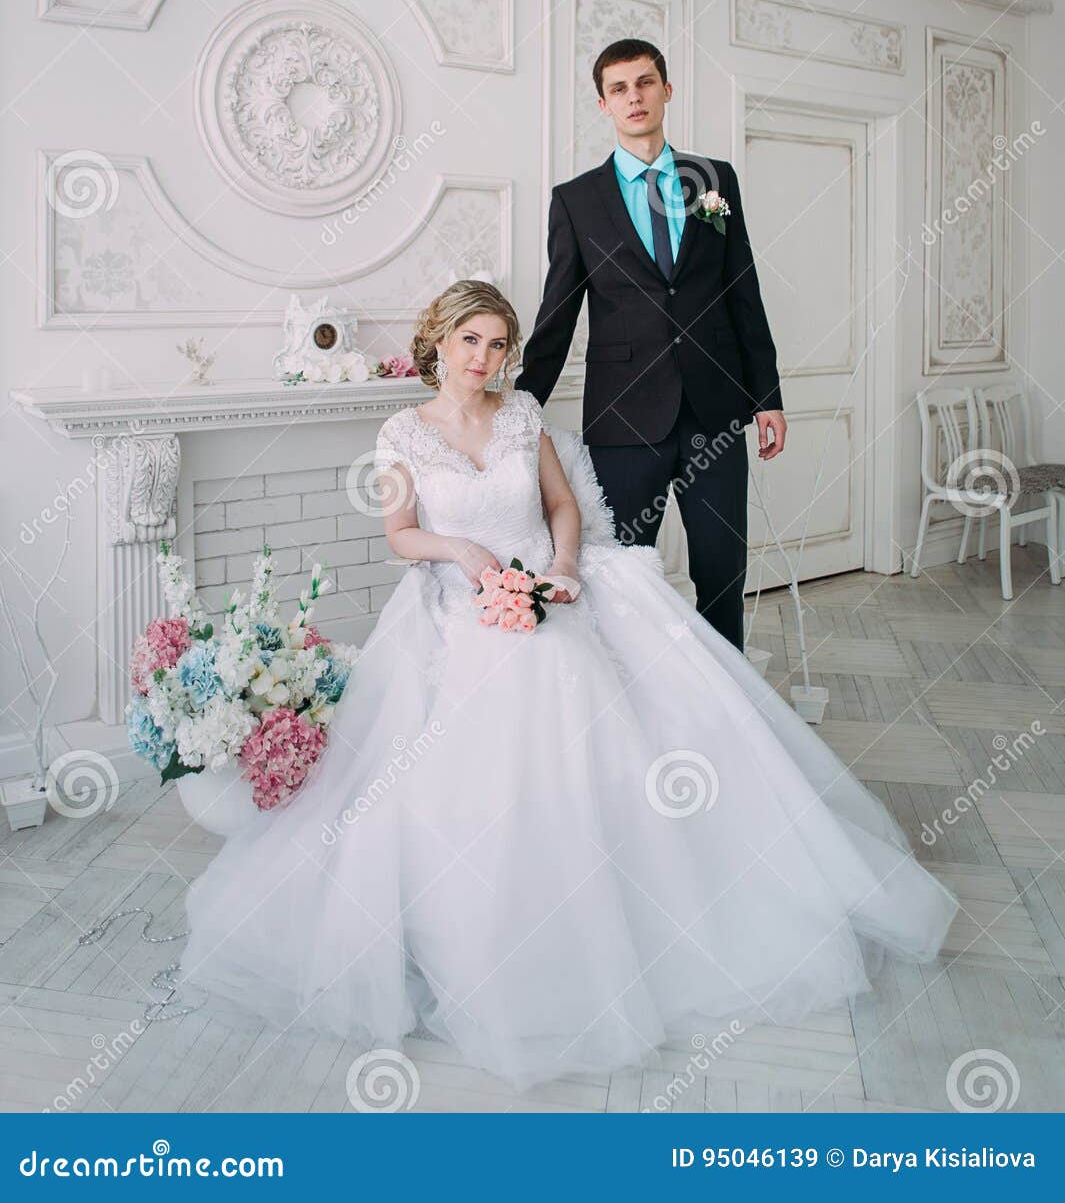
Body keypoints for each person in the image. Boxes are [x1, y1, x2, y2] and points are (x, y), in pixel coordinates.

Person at [178, 279, 958, 1094]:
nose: (484, 358)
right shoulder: (400, 434)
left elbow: (561, 507)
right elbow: (402, 536)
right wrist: (464, 556)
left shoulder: (522, 418)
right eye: (470, 340)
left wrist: (556, 569)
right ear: (438, 343)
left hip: (552, 589)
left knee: (596, 688)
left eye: (496, 344)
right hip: (457, 602)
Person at [517, 37, 785, 652]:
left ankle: (727, 696)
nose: (633, 97)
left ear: (667, 90)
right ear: (603, 104)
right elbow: (558, 310)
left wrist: (766, 395)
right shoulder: (577, 200)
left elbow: (743, 291)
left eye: (644, 83)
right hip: (623, 416)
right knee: (618, 570)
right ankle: (625, 701)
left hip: (715, 408)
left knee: (722, 566)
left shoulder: (715, 181)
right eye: (619, 88)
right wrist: (523, 405)